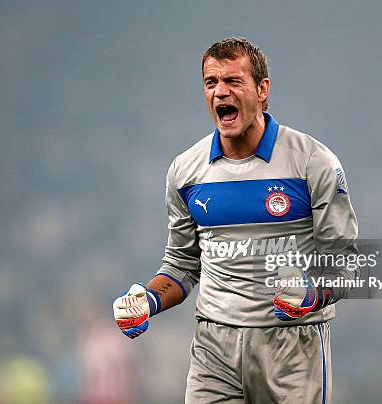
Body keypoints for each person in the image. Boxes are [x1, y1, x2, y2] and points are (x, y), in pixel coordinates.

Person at [113, 37, 358, 404]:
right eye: (211, 83)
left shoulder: (313, 163)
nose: (220, 92)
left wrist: (312, 293)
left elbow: (346, 264)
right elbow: (181, 265)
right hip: (214, 348)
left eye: (233, 81)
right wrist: (148, 300)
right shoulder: (185, 171)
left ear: (262, 91)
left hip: (290, 347)